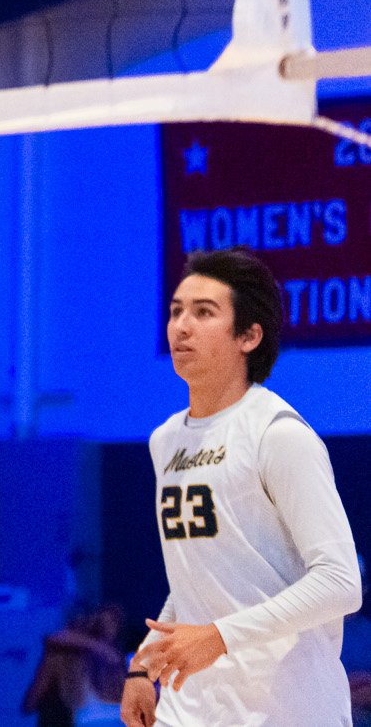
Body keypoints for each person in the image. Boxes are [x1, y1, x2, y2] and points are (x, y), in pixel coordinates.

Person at [122, 249, 359, 727]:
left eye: (203, 312)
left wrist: (218, 636)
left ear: (249, 336)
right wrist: (143, 663)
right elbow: (198, 580)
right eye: (176, 311)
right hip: (191, 708)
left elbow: (340, 583)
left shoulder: (279, 434)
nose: (181, 326)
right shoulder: (166, 441)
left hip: (287, 710)